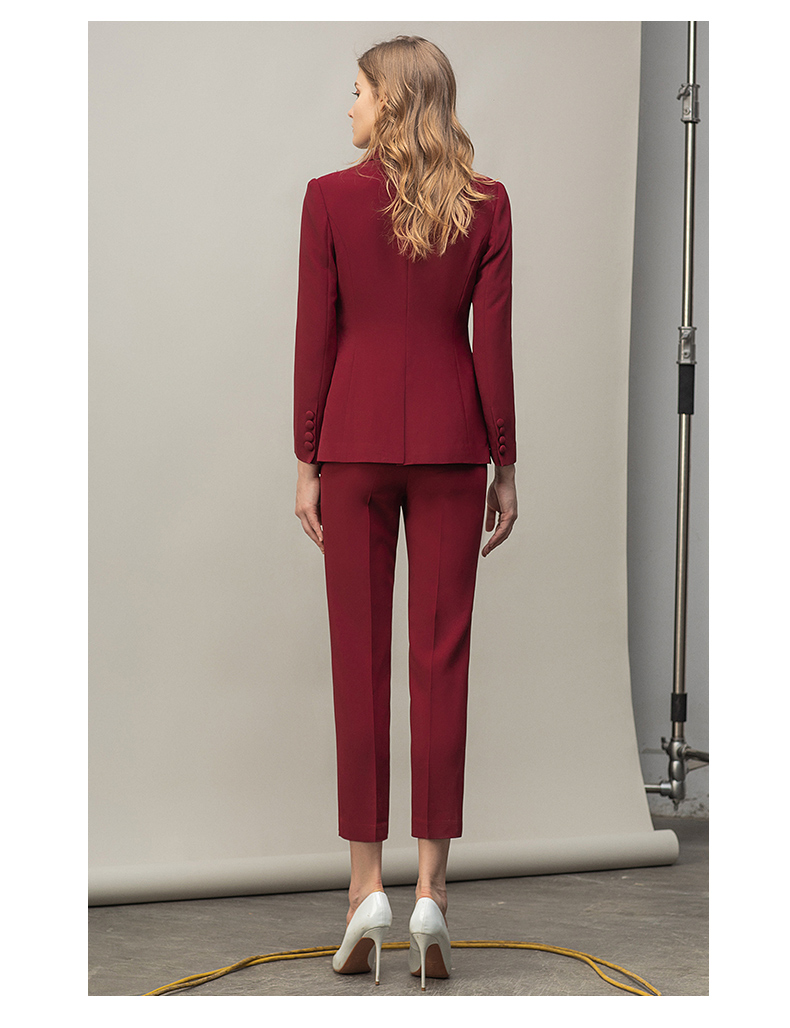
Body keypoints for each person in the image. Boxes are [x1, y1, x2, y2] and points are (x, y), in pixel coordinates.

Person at [293, 35, 518, 990]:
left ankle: (364, 893)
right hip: (454, 445)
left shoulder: (328, 199)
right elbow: (492, 341)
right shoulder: (487, 203)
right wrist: (505, 460)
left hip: (351, 445)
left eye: (356, 91)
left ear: (388, 101)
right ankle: (430, 892)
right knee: (441, 660)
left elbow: (316, 333)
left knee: (360, 661)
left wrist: (306, 457)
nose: (346, 105)